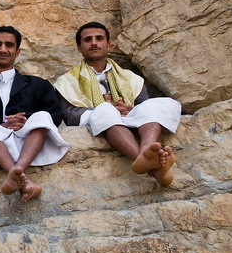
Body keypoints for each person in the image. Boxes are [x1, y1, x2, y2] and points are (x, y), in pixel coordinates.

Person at [53, 21, 181, 186]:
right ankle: (150, 165)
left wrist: (128, 110)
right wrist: (107, 109)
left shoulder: (130, 77)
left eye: (99, 38)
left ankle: (148, 148)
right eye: (88, 40)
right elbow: (70, 114)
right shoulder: (67, 81)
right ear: (79, 47)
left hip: (130, 116)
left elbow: (145, 105)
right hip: (98, 118)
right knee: (105, 110)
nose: (94, 43)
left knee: (163, 103)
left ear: (108, 44)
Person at [0, 26, 70, 203]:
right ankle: (23, 179)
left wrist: (26, 123)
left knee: (42, 116)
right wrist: (1, 126)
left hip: (31, 140)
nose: (3, 49)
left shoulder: (39, 85)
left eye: (9, 45)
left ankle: (16, 171)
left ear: (17, 51)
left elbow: (55, 116)